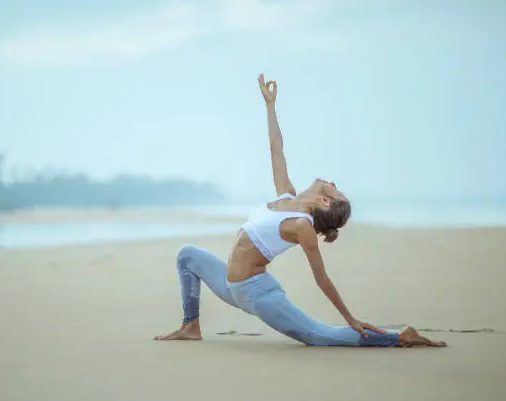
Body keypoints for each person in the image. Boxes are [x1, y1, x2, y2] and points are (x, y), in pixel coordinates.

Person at [154, 74, 446, 348]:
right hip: (232, 287)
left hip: (259, 295)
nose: (331, 183)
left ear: (325, 203)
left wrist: (350, 318)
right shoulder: (286, 195)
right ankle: (190, 326)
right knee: (187, 255)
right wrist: (270, 106)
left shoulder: (302, 226)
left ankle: (399, 338)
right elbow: (275, 147)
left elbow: (322, 279)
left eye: (334, 189)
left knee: (320, 336)